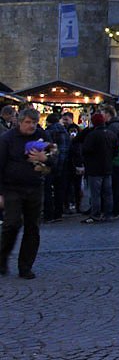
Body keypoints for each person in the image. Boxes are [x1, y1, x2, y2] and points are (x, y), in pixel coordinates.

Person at [0, 108, 54, 278]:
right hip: (12, 188)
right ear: (20, 122)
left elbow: (54, 157)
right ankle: (2, 257)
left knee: (33, 227)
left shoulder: (42, 136)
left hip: (35, 186)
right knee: (11, 224)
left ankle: (25, 266)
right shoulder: (7, 139)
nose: (31, 126)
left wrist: (46, 159)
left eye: (34, 122)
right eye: (28, 122)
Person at [81, 112, 116, 224]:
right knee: (108, 193)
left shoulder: (92, 135)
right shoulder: (111, 134)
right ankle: (108, 214)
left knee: (95, 193)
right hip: (108, 167)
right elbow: (116, 150)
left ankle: (95, 214)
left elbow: (86, 150)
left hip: (94, 168)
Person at [43, 113, 69, 223]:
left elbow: (47, 148)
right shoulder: (65, 131)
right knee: (60, 189)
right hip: (64, 164)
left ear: (48, 122)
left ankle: (49, 214)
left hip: (51, 164)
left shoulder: (48, 132)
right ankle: (58, 213)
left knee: (48, 190)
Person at [104, 107, 119, 220]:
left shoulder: (113, 127)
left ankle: (114, 210)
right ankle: (116, 209)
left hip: (115, 160)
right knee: (117, 185)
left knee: (114, 186)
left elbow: (110, 143)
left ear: (108, 114)